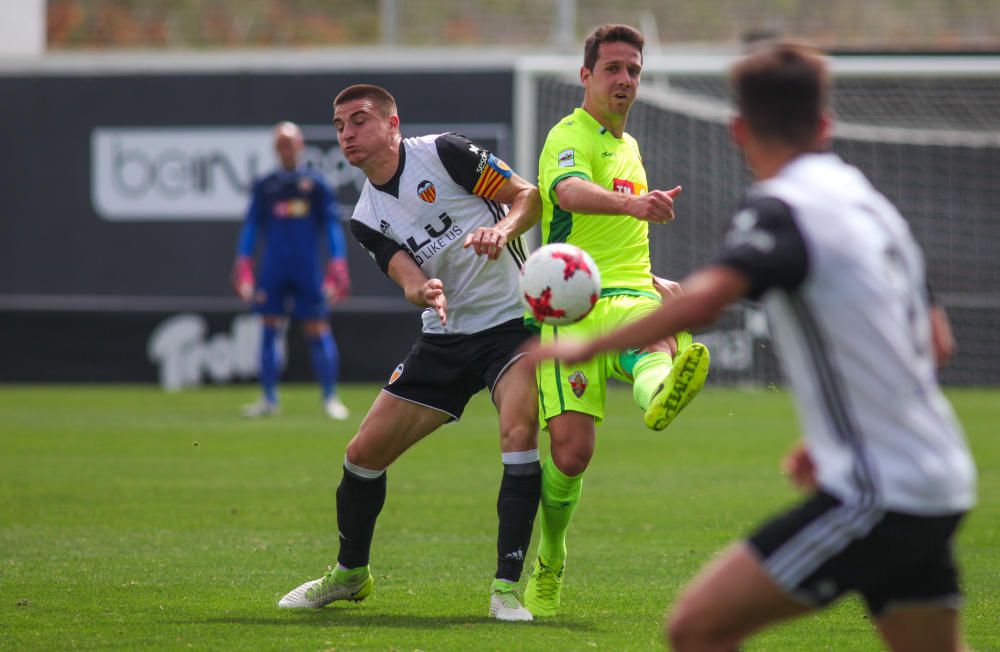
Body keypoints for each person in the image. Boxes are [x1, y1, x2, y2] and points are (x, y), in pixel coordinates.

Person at [527, 42, 977, 651]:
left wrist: (581, 348)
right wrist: (852, 431)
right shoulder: (872, 204)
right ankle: (651, 386)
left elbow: (706, 299)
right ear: (827, 124)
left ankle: (653, 380)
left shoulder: (782, 205)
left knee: (696, 628)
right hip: (942, 474)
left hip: (879, 491)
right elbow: (937, 343)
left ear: (739, 130)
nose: (627, 79)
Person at [278, 84, 543, 621]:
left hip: (513, 324)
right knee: (361, 455)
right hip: (446, 335)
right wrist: (423, 290)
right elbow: (407, 276)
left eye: (359, 121)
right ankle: (351, 574)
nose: (347, 134)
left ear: (393, 125)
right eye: (339, 126)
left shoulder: (445, 153)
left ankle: (505, 590)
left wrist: (502, 228)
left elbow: (528, 197)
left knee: (518, 434)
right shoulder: (365, 216)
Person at [523, 23, 711, 618]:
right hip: (571, 307)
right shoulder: (569, 133)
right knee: (572, 455)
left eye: (633, 69)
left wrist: (653, 276)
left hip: (629, 291)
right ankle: (550, 556)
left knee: (654, 342)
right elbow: (571, 193)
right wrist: (635, 203)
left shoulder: (630, 146)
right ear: (586, 76)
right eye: (613, 69)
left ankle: (662, 392)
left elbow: (618, 235)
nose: (625, 79)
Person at [233, 121, 352, 420]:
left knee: (317, 328)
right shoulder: (266, 185)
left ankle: (330, 398)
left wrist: (337, 263)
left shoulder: (316, 185)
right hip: (273, 267)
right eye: (281, 144)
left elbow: (331, 226)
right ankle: (269, 398)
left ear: (300, 146)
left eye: (291, 143)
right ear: (275, 149)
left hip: (306, 268)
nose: (287, 149)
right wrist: (243, 262)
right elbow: (251, 225)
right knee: (268, 327)